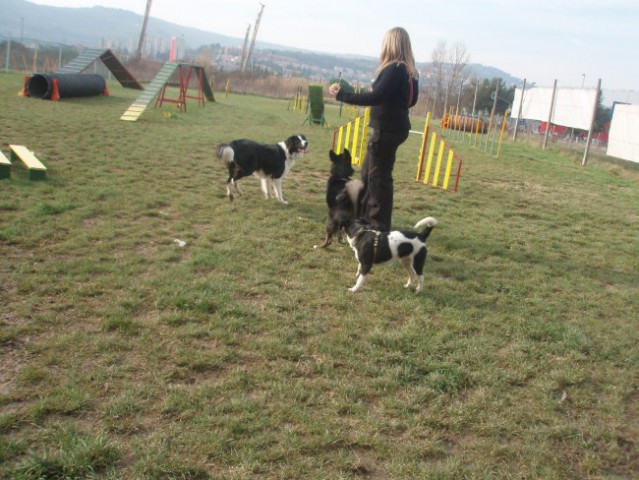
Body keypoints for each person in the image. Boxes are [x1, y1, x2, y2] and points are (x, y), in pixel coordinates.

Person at [329, 26, 419, 231]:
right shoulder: (410, 72)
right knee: (368, 174)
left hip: (386, 131)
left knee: (378, 178)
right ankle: (364, 217)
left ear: (390, 44)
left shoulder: (394, 68)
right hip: (395, 129)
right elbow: (411, 100)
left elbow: (374, 97)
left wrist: (342, 95)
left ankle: (378, 225)